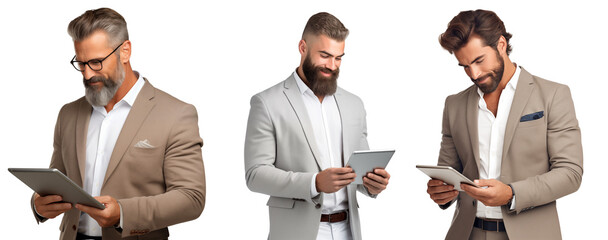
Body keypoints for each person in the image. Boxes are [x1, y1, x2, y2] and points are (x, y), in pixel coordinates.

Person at [31, 8, 206, 240]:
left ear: (125, 51)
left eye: (96, 62)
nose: (86, 75)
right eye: (81, 63)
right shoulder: (68, 113)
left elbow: (191, 197)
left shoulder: (176, 114)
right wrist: (39, 205)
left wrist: (123, 213)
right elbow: (58, 180)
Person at [426, 9, 583, 240]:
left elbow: (570, 173)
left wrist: (511, 194)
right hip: (468, 233)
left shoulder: (553, 95)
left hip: (530, 234)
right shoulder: (454, 104)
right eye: (465, 66)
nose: (474, 73)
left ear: (501, 44)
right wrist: (441, 192)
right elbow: (449, 173)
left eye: (479, 60)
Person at [244, 12, 390, 240]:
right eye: (324, 55)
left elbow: (358, 173)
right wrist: (314, 183)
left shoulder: (354, 104)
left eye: (339, 57)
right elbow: (255, 174)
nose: (332, 66)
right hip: (296, 233)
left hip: (348, 230)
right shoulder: (267, 102)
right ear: (303, 47)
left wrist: (372, 184)